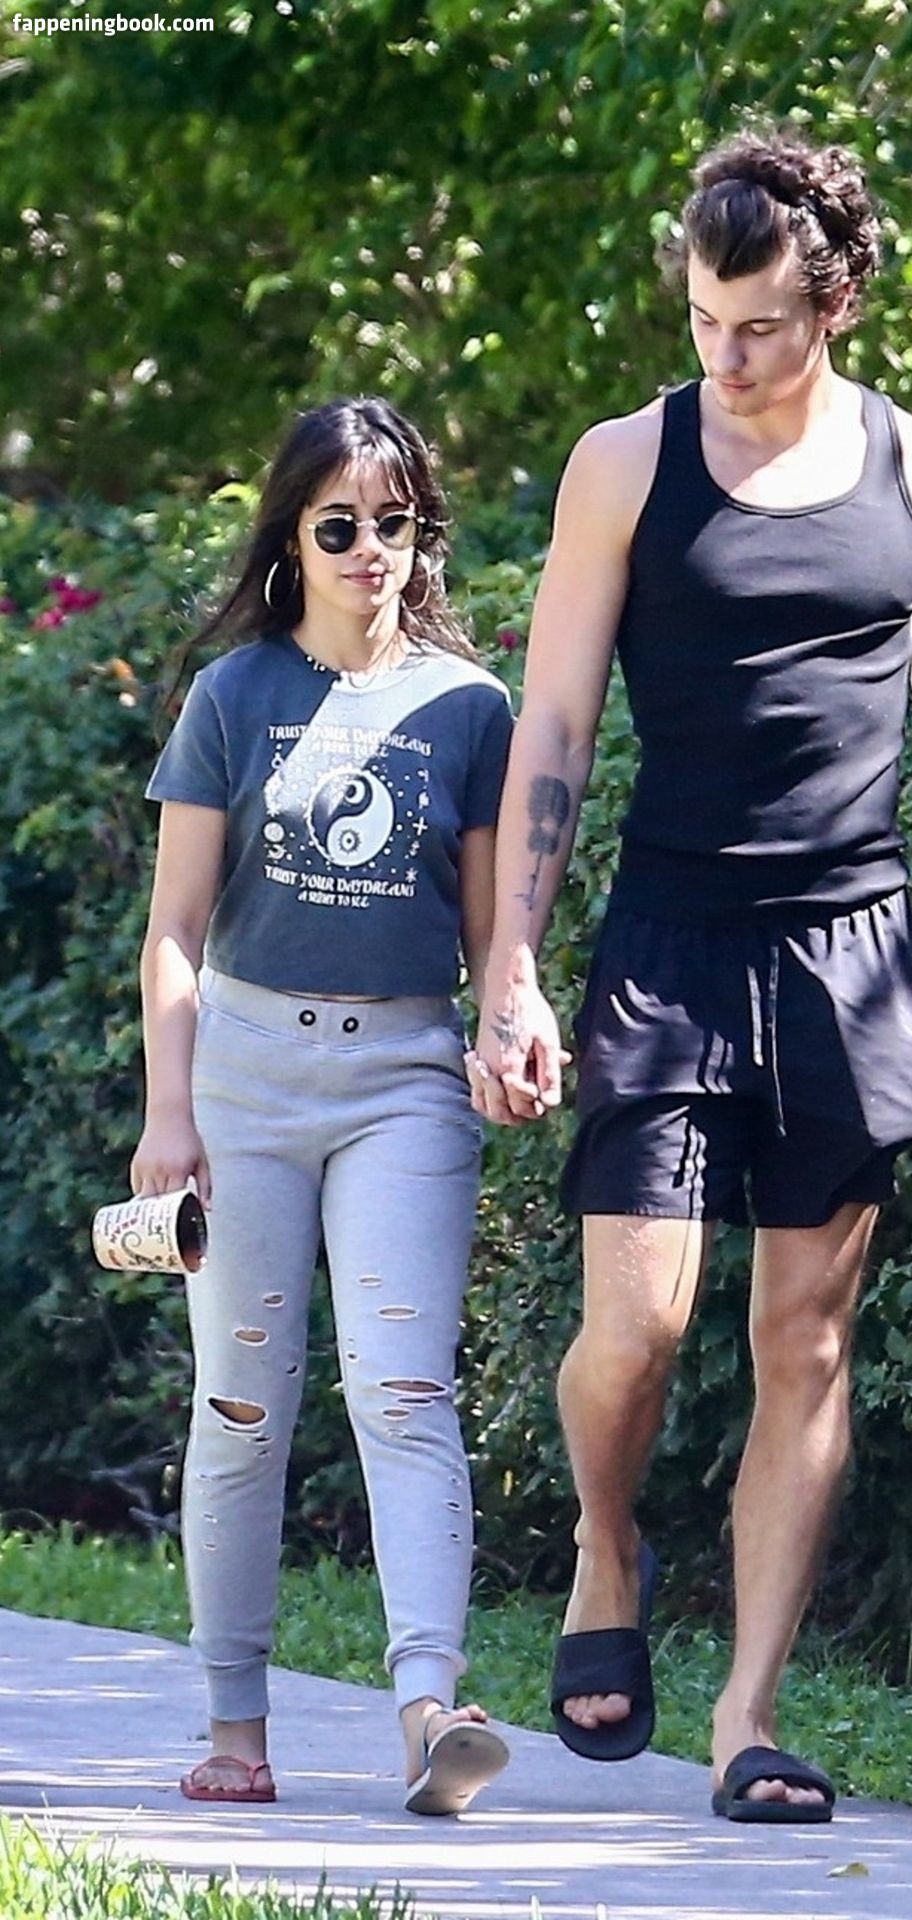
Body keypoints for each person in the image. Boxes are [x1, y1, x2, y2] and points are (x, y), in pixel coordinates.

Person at [468, 127, 912, 1823]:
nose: (727, 354)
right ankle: (605, 1546)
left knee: (806, 1341)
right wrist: (514, 967)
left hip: (851, 956)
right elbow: (556, 720)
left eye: (759, 324)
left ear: (834, 301)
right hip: (666, 945)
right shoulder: (626, 463)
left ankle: (748, 1716)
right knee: (636, 1328)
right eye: (704, 320)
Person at [133, 397, 512, 1815]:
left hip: (403, 1077)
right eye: (338, 525)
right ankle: (236, 1728)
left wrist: (512, 1023)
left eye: (393, 524)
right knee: (241, 1406)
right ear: (293, 537)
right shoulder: (234, 696)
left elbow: (494, 933)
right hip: (242, 1077)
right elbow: (174, 930)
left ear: (423, 535)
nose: (369, 551)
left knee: (406, 1392)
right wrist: (169, 1114)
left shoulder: (470, 708)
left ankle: (429, 1714)